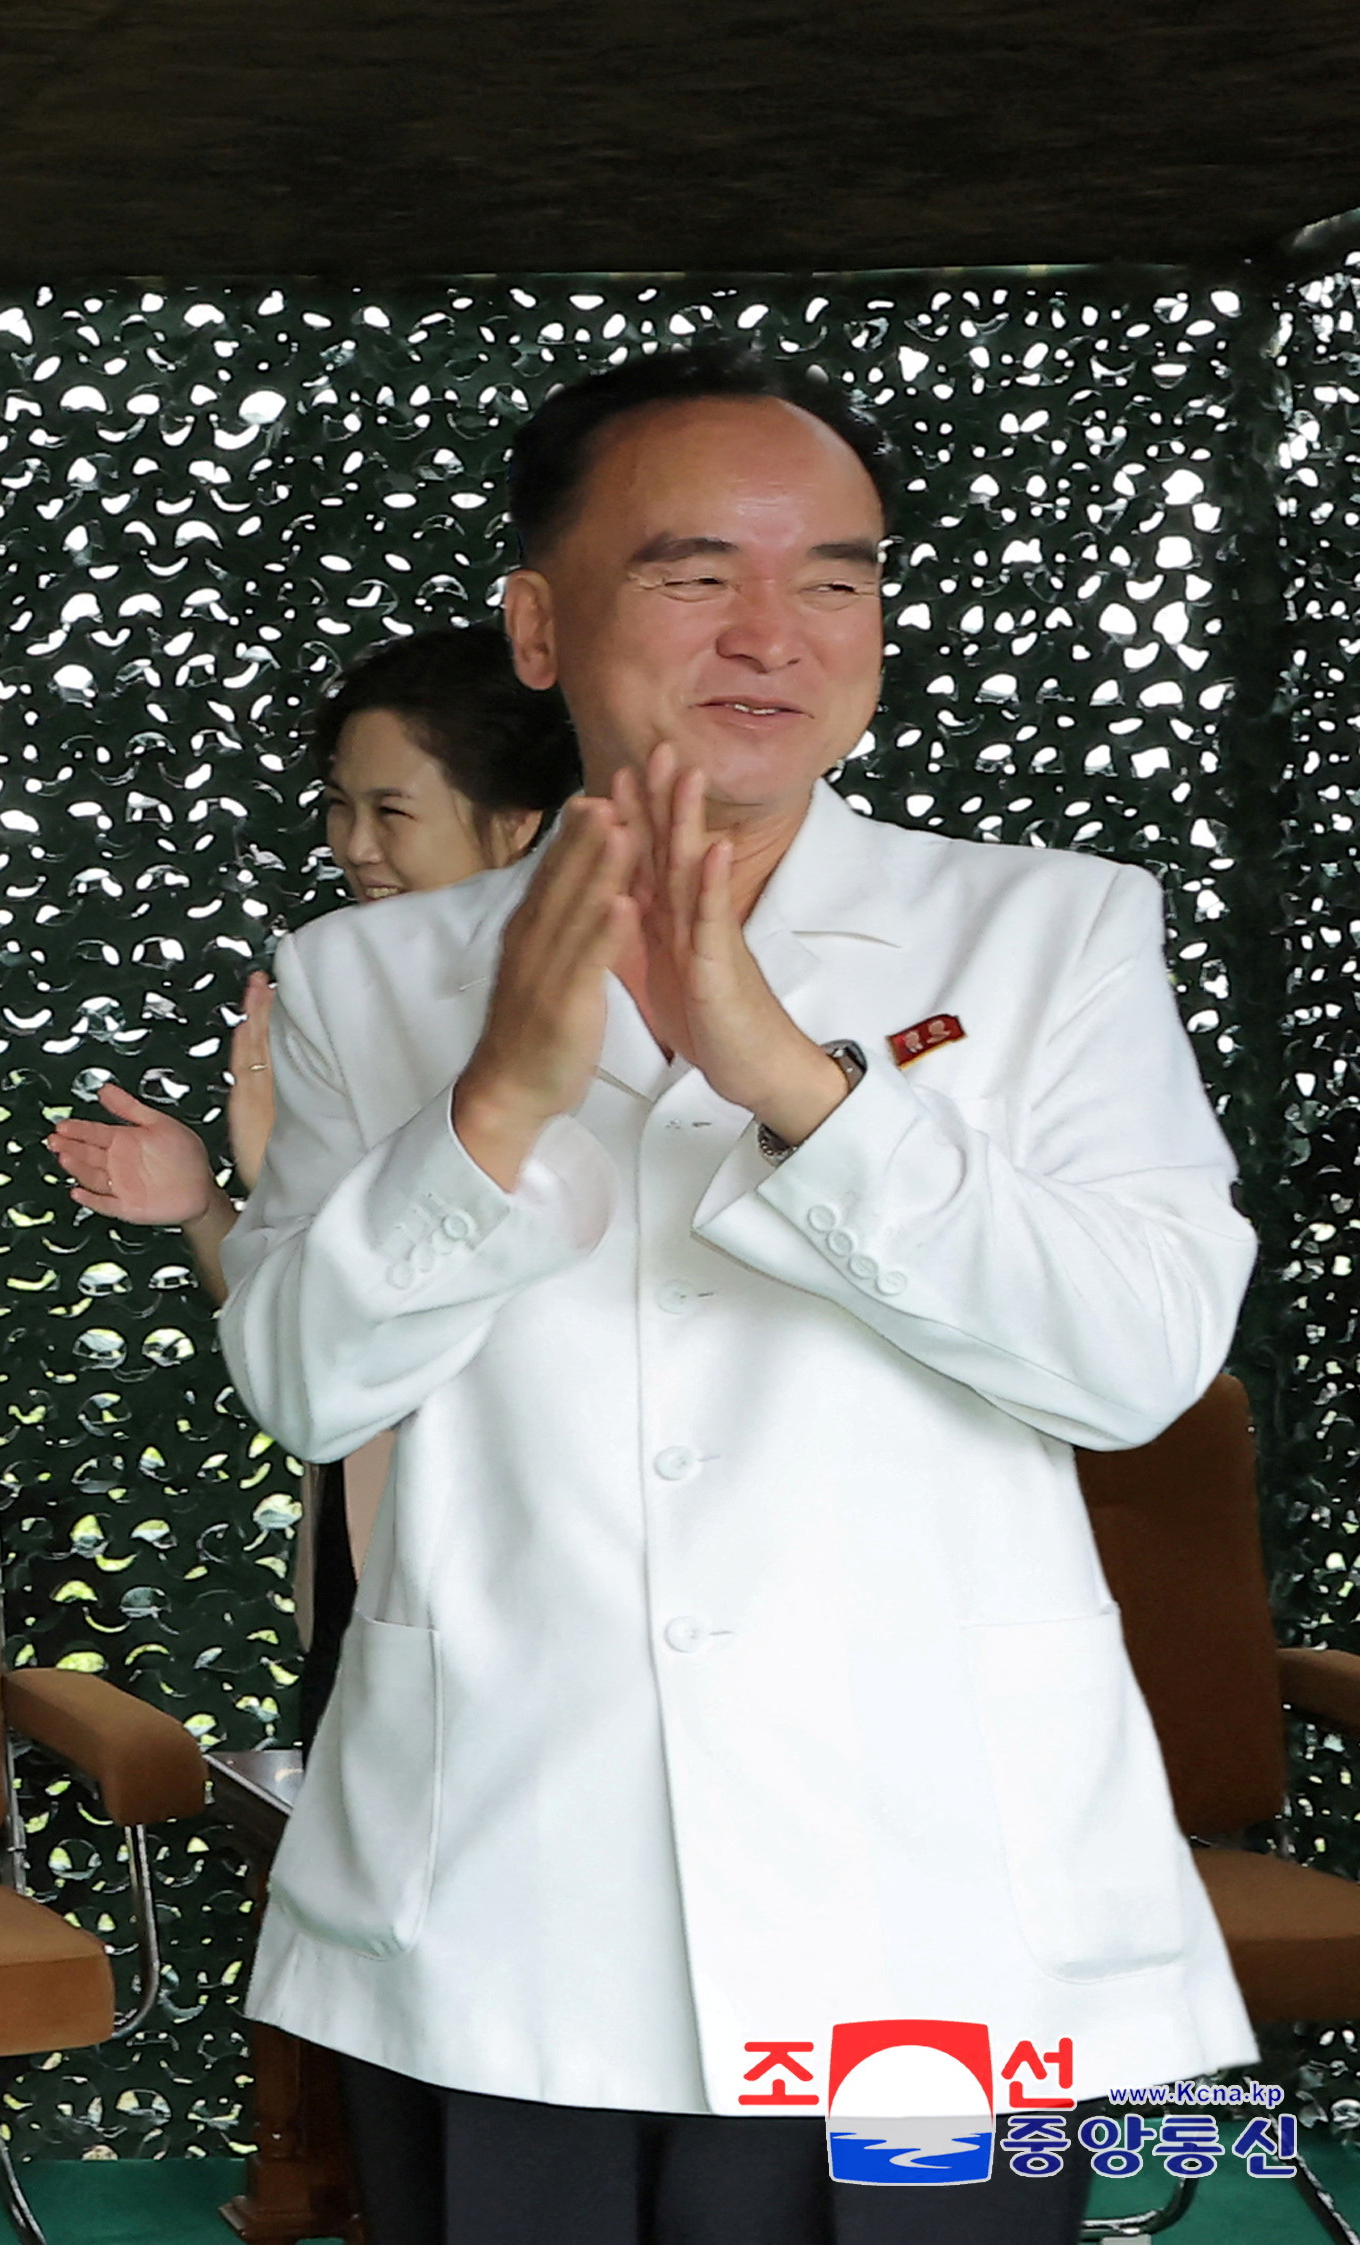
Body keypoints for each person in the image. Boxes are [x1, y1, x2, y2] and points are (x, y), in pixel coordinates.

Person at [219, 343, 1253, 2244]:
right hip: (506, 1898)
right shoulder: (368, 981)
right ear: (539, 626)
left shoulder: (1051, 930)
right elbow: (303, 1379)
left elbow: (1131, 1363)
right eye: (694, 574)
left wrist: (792, 1083)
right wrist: (492, 1107)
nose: (772, 633)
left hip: (931, 1921)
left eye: (833, 579)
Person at [45, 628, 577, 1719]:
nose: (356, 846)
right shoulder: (334, 988)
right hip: (378, 1525)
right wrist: (214, 1205)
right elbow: (301, 1349)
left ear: (520, 820)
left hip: (566, 1541)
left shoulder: (624, 1005)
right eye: (339, 807)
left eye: (392, 812)